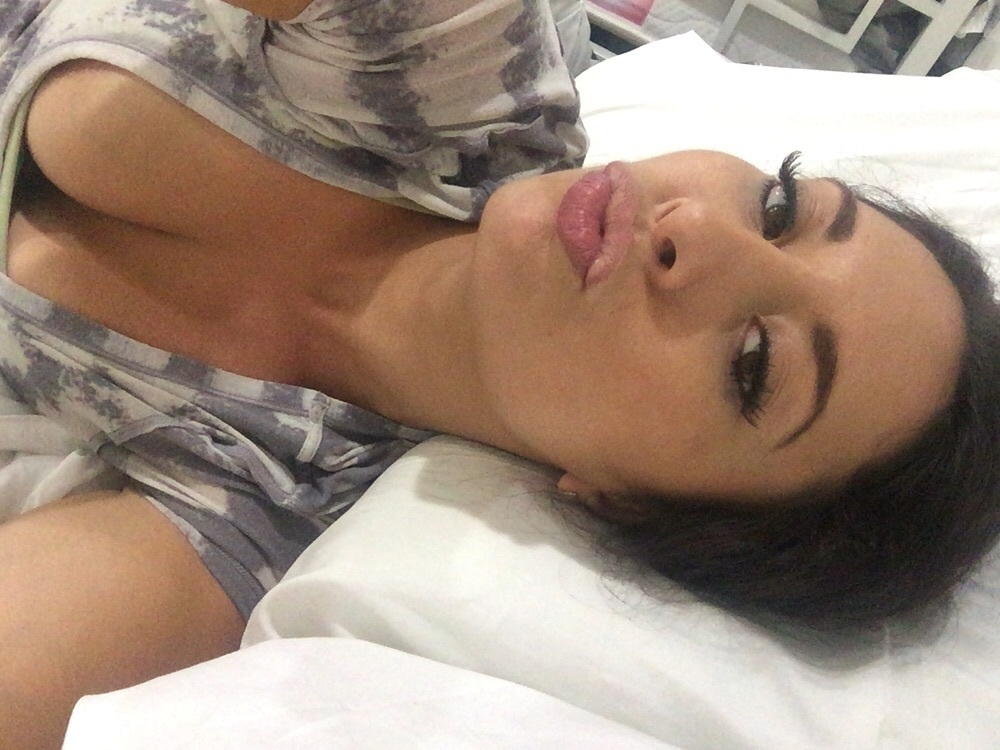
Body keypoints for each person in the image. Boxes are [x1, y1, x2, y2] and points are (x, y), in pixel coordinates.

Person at [1, 1, 998, 748]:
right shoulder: (460, 69)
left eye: (754, 364)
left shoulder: (259, 501)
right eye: (778, 209)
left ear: (630, 500)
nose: (696, 225)